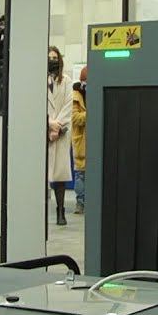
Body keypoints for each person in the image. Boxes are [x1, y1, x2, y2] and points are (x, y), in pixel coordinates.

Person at [47, 47, 73, 225]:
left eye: (55, 58)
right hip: (45, 130)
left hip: (60, 133)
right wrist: (49, 123)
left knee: (60, 176)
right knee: (42, 173)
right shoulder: (38, 81)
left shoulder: (67, 81)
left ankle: (60, 211)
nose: (52, 61)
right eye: (49, 58)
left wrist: (57, 126)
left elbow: (68, 105)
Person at [69, 65, 87, 214]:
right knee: (80, 174)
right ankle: (80, 202)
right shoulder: (75, 96)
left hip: (94, 139)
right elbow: (75, 118)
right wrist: (91, 112)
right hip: (81, 140)